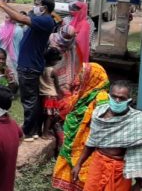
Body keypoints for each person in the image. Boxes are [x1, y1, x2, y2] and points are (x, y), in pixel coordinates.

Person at [0, 0, 56, 141]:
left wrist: (2, 5)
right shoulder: (41, 20)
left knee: (29, 100)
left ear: (44, 8)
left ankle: (28, 131)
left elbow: (21, 19)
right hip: (30, 64)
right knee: (32, 99)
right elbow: (19, 17)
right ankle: (33, 130)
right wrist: (5, 5)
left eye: (37, 4)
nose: (34, 6)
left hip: (29, 66)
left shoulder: (45, 20)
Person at [72, 80, 142, 191]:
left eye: (122, 98)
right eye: (114, 97)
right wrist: (78, 164)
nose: (117, 100)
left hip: (120, 169)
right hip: (98, 163)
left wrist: (139, 183)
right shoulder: (99, 114)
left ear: (129, 99)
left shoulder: (136, 120)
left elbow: (139, 152)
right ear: (109, 96)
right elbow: (91, 142)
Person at [52, 62, 110, 190]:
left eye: (84, 74)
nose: (80, 77)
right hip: (75, 140)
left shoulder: (101, 97)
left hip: (87, 144)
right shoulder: (84, 93)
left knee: (85, 172)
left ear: (93, 76)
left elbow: (104, 124)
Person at [40, 47, 64, 143]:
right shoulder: (53, 71)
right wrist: (60, 95)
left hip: (42, 94)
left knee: (44, 115)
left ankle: (43, 131)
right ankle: (45, 133)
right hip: (51, 95)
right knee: (50, 116)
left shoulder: (41, 68)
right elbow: (57, 86)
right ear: (53, 60)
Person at [51, 24, 79, 94]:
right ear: (62, 32)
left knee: (63, 89)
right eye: (66, 36)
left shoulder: (72, 44)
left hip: (64, 67)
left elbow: (72, 60)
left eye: (69, 37)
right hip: (52, 65)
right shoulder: (52, 38)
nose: (66, 39)